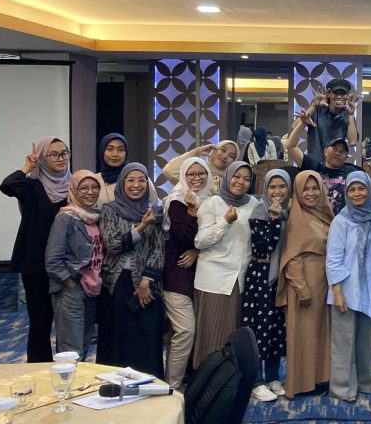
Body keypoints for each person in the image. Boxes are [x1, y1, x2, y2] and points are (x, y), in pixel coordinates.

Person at [0, 137, 71, 362]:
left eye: (64, 153)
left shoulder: (73, 186)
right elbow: (7, 185)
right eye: (53, 154)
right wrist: (27, 167)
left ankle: (68, 368)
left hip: (66, 264)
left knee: (68, 321)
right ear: (42, 158)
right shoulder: (31, 186)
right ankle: (39, 369)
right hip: (36, 264)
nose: (61, 158)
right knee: (40, 322)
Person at [97, 163, 165, 377]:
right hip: (116, 283)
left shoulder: (155, 211)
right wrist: (142, 226)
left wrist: (146, 281)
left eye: (141, 180)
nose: (136, 185)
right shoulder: (109, 209)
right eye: (131, 180)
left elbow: (158, 249)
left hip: (146, 284)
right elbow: (113, 244)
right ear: (122, 183)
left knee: (146, 336)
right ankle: (113, 384)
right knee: (117, 335)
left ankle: (149, 385)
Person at [192, 161, 261, 372]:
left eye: (246, 178)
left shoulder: (254, 204)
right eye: (236, 176)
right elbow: (200, 241)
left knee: (234, 336)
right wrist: (224, 221)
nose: (241, 182)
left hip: (241, 280)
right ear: (227, 177)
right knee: (211, 335)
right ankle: (206, 379)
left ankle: (228, 380)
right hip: (215, 280)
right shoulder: (212, 204)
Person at [276, 171, 333, 399]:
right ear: (297, 192)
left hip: (324, 284)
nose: (311, 193)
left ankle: (319, 379)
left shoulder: (324, 213)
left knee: (320, 334)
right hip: (304, 285)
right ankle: (300, 384)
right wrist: (302, 289)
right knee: (303, 335)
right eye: (305, 189)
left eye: (315, 188)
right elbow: (292, 258)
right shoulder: (296, 218)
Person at [326, 171, 371, 403]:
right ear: (346, 193)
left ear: (369, 190)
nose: (357, 194)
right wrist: (337, 292)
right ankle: (343, 387)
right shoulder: (341, 221)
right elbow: (333, 259)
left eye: (361, 188)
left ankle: (366, 382)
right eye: (352, 189)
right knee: (344, 340)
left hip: (368, 288)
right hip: (345, 289)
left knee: (366, 340)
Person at [160, 157, 210, 389]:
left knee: (184, 333)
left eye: (202, 173)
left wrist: (197, 251)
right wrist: (191, 211)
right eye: (191, 174)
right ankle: (173, 386)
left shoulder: (211, 200)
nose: (197, 178)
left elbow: (209, 239)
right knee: (185, 330)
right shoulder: (177, 201)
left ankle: (179, 380)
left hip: (200, 275)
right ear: (183, 176)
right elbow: (183, 238)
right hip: (177, 274)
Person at [44, 169, 102, 360]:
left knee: (84, 345)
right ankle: (67, 380)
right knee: (71, 349)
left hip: (92, 289)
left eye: (94, 187)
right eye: (83, 188)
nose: (90, 192)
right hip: (71, 289)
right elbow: (52, 259)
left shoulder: (96, 217)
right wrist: (69, 283)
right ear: (74, 190)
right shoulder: (65, 218)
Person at [243, 169, 291, 399]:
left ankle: (273, 377)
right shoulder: (260, 211)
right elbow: (265, 246)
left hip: (280, 276)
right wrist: (273, 219)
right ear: (265, 189)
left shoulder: (289, 213)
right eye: (272, 186)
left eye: (282, 186)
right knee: (259, 328)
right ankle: (256, 380)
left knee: (276, 328)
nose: (277, 191)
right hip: (260, 276)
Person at [287, 110, 371, 214]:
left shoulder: (352, 172)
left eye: (342, 151)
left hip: (345, 220)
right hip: (318, 220)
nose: (338, 153)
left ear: (346, 156)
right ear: (325, 151)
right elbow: (291, 146)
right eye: (334, 149)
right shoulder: (314, 167)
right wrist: (303, 123)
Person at [304, 78, 359, 164]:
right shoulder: (317, 110)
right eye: (336, 93)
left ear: (347, 96)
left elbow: (353, 142)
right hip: (313, 163)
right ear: (328, 94)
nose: (339, 96)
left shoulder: (347, 115)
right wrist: (313, 105)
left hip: (334, 165)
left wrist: (351, 115)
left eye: (343, 93)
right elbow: (294, 126)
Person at [164, 140, 239, 195]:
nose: (225, 156)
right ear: (214, 150)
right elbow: (169, 171)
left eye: (231, 156)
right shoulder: (196, 171)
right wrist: (195, 152)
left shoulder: (231, 182)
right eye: (223, 150)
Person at [95, 133, 129, 206]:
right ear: (102, 152)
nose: (115, 154)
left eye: (121, 150)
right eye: (110, 149)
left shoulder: (138, 179)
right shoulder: (94, 180)